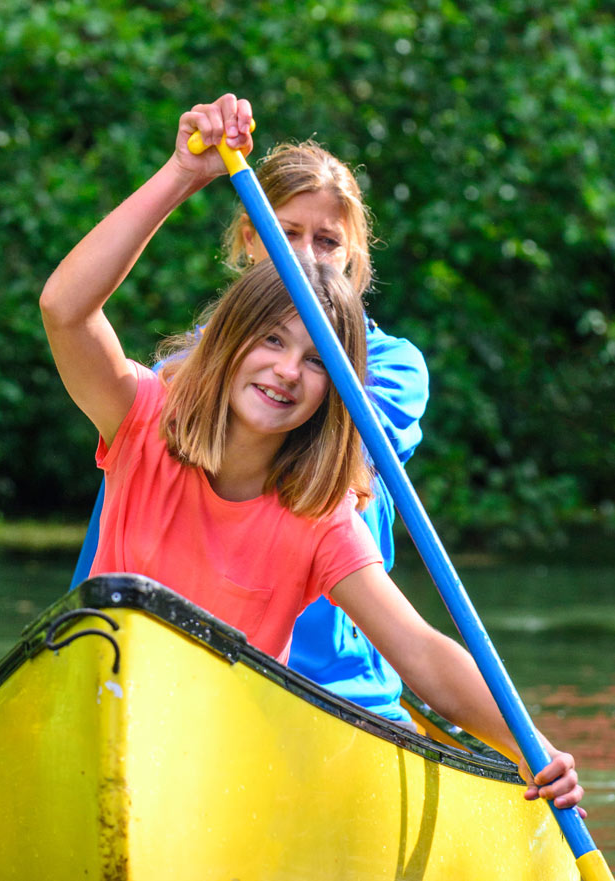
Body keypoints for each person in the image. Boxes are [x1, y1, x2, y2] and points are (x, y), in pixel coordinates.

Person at [39, 93, 584, 813]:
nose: (287, 371)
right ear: (229, 342)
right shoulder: (143, 416)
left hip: (248, 740)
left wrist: (530, 745)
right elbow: (64, 310)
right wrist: (181, 174)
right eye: (270, 340)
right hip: (110, 706)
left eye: (317, 359)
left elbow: (419, 649)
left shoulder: (320, 515)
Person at [219, 135, 428, 726]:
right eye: (285, 233)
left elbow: (317, 446)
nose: (304, 256)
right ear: (250, 239)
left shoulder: (393, 366)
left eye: (327, 241)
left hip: (338, 685)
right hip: (212, 666)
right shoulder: (193, 362)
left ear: (352, 255)